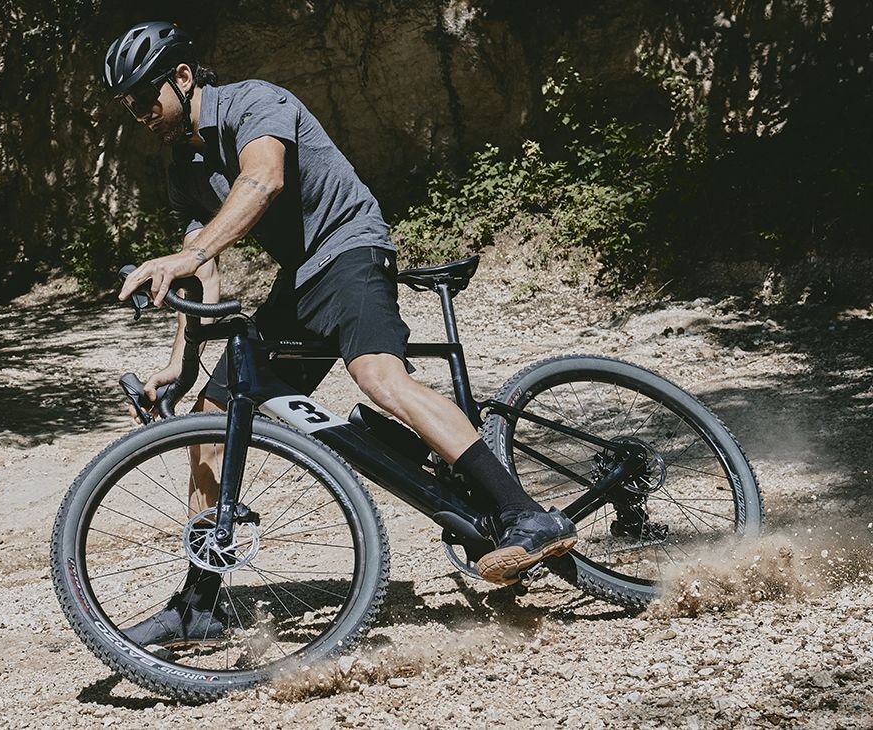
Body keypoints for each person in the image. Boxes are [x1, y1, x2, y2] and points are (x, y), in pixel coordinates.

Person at [105, 21, 577, 646]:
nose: (140, 114)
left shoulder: (255, 102)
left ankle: (525, 514)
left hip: (350, 249)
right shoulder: (184, 169)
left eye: (145, 98)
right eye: (130, 107)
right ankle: (200, 602)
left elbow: (263, 180)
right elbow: (203, 269)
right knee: (213, 415)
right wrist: (181, 362)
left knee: (379, 376)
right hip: (300, 280)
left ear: (182, 77)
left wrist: (188, 259)